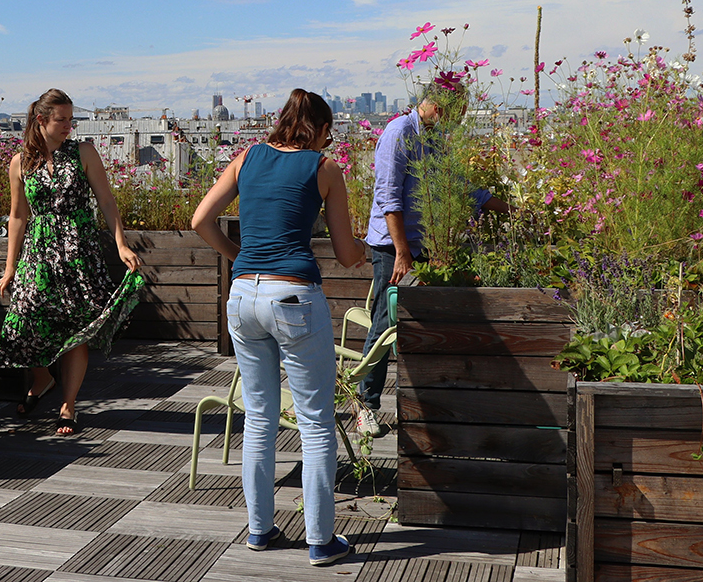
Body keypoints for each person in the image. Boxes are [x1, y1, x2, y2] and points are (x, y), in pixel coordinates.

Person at [189, 89, 364, 569]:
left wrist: (239, 262)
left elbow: (200, 219)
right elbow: (347, 254)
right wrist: (368, 252)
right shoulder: (324, 169)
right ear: (321, 129)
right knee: (315, 421)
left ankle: (261, 531)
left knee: (260, 417)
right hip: (294, 297)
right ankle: (321, 541)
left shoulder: (247, 158)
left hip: (243, 298)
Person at [0, 89, 146, 436]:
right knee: (22, 321)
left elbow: (107, 202)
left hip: (79, 250)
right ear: (41, 120)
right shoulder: (21, 162)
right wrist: (9, 268)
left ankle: (68, 405)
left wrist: (121, 245)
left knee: (77, 327)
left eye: (70, 119)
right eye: (61, 120)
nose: (68, 126)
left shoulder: (84, 153)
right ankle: (43, 378)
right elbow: (17, 216)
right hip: (38, 251)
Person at [357, 86, 505, 434]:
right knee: (385, 324)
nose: (460, 119)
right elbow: (388, 197)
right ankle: (366, 405)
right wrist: (402, 253)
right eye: (458, 112)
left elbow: (456, 186)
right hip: (394, 248)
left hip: (421, 245)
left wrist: (506, 208)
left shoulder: (435, 138)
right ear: (438, 106)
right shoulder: (400, 132)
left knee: (416, 327)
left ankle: (420, 405)